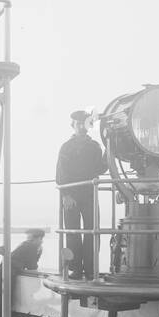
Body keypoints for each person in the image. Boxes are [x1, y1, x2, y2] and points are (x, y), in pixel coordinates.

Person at [56, 110, 107, 280]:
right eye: (78, 124)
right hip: (71, 196)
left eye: (83, 123)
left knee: (92, 231)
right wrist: (66, 195)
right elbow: (60, 174)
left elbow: (100, 169)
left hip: (89, 194)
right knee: (72, 232)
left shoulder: (94, 147)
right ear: (73, 126)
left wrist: (109, 149)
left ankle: (91, 269)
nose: (81, 127)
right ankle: (75, 268)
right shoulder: (66, 147)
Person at [0, 228, 45, 317]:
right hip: (7, 273)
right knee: (5, 302)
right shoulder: (31, 247)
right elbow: (32, 266)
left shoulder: (26, 245)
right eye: (40, 239)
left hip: (2, 272)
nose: (41, 241)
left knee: (1, 301)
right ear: (38, 238)